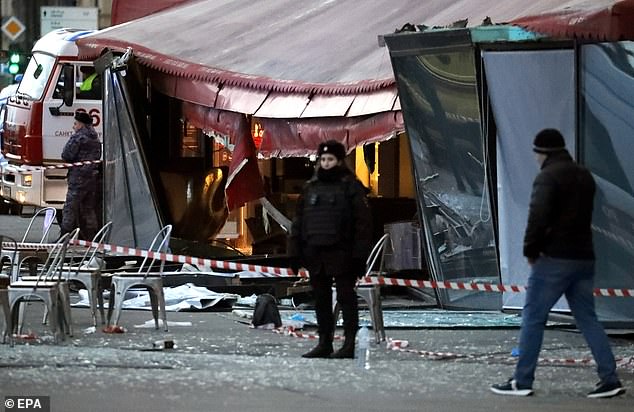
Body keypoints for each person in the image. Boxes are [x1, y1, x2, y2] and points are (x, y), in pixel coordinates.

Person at [490, 129, 625, 398]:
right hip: (584, 258)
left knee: (533, 317)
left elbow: (537, 217)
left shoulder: (547, 177)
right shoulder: (584, 176)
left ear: (542, 153)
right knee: (588, 319)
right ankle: (610, 379)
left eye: (536, 154)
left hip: (554, 259)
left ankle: (522, 380)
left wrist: (530, 250)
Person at [288, 140, 373, 358]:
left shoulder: (351, 188)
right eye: (323, 159)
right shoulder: (311, 188)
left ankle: (349, 344)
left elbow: (362, 225)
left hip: (343, 253)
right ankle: (324, 342)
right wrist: (294, 253)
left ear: (339, 161)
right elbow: (299, 222)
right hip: (316, 253)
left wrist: (358, 256)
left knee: (346, 298)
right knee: (321, 300)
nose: (326, 164)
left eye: (331, 159)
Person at [61, 111, 102, 240]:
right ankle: (93, 238)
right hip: (92, 178)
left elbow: (66, 154)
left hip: (78, 177)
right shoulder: (95, 138)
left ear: (81, 124)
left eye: (75, 123)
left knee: (70, 208)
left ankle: (65, 237)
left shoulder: (78, 137)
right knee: (88, 209)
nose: (74, 126)